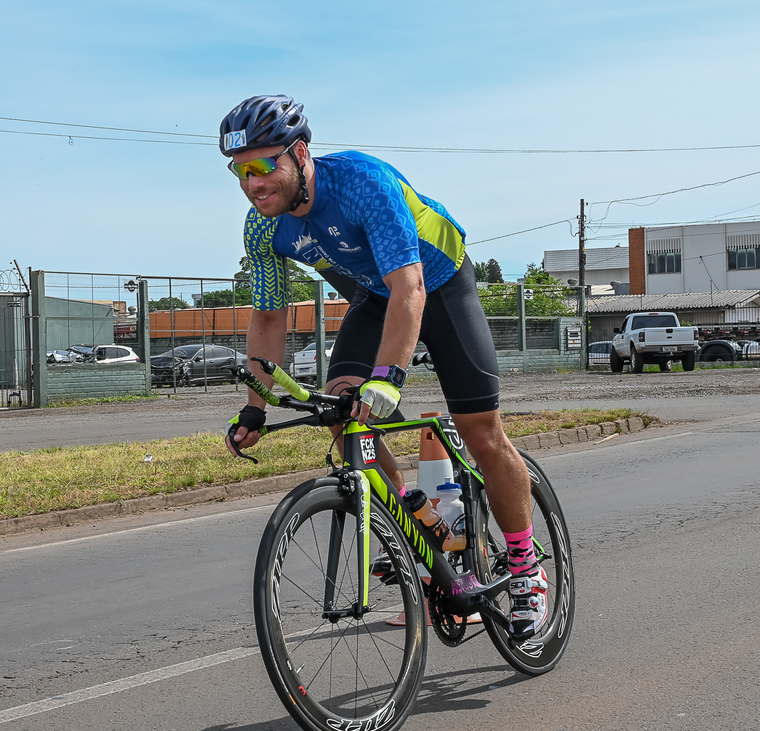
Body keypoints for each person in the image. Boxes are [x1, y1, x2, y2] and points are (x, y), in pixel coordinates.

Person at [220, 95, 547, 639]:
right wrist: (254, 408)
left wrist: (388, 378)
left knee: (482, 434)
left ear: (300, 154)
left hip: (437, 283)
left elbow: (410, 287)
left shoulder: (362, 184)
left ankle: (525, 568)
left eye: (263, 165)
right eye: (240, 171)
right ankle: (414, 522)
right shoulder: (262, 228)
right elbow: (270, 317)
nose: (253, 183)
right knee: (341, 410)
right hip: (375, 295)